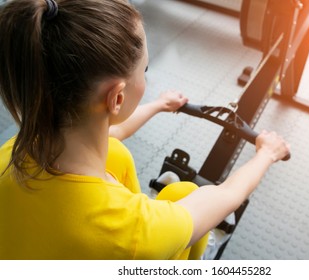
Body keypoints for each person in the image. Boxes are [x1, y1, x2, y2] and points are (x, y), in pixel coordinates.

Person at [0, 0, 290, 260]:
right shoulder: (136, 233)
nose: (147, 78)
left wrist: (159, 105)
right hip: (129, 246)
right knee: (183, 192)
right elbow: (226, 195)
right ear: (117, 98)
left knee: (115, 152)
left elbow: (111, 132)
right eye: (145, 70)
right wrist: (267, 153)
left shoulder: (12, 151)